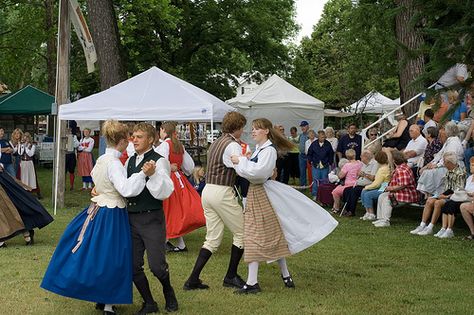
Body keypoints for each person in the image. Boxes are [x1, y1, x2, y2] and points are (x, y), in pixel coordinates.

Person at [41, 120, 159, 315]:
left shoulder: (102, 159)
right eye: (128, 139)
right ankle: (108, 304)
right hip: (112, 213)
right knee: (112, 256)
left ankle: (102, 297)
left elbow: (99, 182)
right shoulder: (114, 164)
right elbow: (126, 189)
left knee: (100, 254)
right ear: (121, 140)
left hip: (98, 209)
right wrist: (142, 175)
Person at [230, 118, 338, 294]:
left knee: (253, 237)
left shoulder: (268, 151)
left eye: (256, 129)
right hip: (259, 194)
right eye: (252, 129)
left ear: (266, 130)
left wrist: (239, 162)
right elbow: (256, 171)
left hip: (261, 194)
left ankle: (252, 283)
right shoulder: (262, 149)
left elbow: (257, 174)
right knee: (271, 235)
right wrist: (244, 161)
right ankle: (283, 276)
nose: (253, 132)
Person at [184, 111, 248, 291]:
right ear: (237, 127)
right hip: (221, 191)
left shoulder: (217, 142)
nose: (242, 131)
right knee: (242, 233)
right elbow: (240, 169)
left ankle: (193, 279)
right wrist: (248, 159)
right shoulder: (233, 145)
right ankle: (231, 276)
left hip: (208, 191)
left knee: (212, 239)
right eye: (242, 127)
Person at [126, 122, 177, 314]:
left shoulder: (159, 160)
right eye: (133, 136)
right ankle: (149, 302)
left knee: (157, 266)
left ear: (150, 139)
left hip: (151, 219)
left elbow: (165, 191)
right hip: (131, 219)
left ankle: (168, 290)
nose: (135, 139)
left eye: (139, 137)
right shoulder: (130, 161)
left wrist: (153, 174)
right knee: (132, 266)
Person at [156, 121, 205, 253]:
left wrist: (168, 167)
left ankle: (165, 241)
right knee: (174, 210)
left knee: (168, 210)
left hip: (168, 178)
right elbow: (189, 167)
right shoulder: (179, 145)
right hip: (179, 179)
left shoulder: (164, 145)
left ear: (163, 130)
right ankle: (179, 244)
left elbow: (159, 162)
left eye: (160, 130)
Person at [410, 152, 465, 236]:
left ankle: (430, 227)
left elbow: (459, 191)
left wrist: (445, 196)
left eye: (444, 162)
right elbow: (447, 188)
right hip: (446, 194)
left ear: (449, 163)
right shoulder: (448, 171)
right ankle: (422, 225)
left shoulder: (460, 173)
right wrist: (441, 195)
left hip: (454, 197)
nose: (443, 164)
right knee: (429, 200)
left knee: (437, 203)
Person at [0, 162, 53, 248]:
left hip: (2, 180)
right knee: (7, 208)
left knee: (14, 204)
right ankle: (5, 238)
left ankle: (26, 232)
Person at [371, 150, 418, 227]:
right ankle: (381, 218)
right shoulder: (400, 168)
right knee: (381, 196)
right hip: (401, 192)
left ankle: (386, 221)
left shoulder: (401, 170)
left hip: (407, 194)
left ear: (394, 160)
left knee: (387, 199)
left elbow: (403, 185)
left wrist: (390, 188)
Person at [417, 123, 464, 197]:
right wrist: (430, 164)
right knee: (425, 171)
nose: (442, 131)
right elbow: (439, 154)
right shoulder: (449, 140)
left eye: (444, 129)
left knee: (428, 173)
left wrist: (436, 165)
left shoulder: (454, 142)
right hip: (444, 164)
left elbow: (449, 158)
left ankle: (430, 196)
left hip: (452, 166)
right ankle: (429, 196)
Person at [359, 151, 391, 221]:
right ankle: (367, 211)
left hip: (383, 187)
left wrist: (366, 187)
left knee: (368, 194)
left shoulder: (382, 169)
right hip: (382, 186)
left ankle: (371, 213)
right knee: (364, 192)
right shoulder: (383, 168)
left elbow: (377, 183)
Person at [331, 149, 363, 214]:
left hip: (349, 185)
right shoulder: (360, 163)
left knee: (335, 192)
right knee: (338, 188)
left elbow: (340, 176)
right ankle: (336, 207)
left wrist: (337, 172)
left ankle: (336, 208)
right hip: (357, 184)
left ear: (347, 157)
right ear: (355, 155)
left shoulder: (347, 165)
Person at [307, 130, 334, 197]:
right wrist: (310, 160)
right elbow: (309, 153)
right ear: (318, 137)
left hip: (325, 165)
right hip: (316, 165)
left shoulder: (328, 144)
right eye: (321, 137)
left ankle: (323, 195)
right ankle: (315, 194)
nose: (323, 138)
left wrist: (330, 162)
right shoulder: (314, 144)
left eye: (324, 137)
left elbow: (331, 154)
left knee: (324, 180)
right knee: (315, 180)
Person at [298, 121, 310, 186]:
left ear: (308, 126)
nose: (303, 127)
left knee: (311, 171)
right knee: (302, 171)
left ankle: (312, 185)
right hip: (301, 156)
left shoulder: (311, 134)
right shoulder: (301, 135)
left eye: (304, 126)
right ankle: (303, 185)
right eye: (302, 126)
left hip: (309, 156)